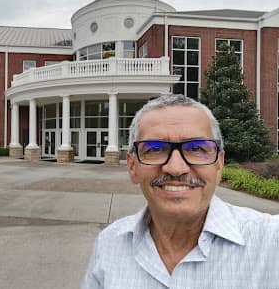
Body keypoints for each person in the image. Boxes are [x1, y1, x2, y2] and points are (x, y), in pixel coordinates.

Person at [81, 94, 279, 289]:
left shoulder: (270, 242)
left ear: (219, 165)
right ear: (133, 167)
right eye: (155, 149)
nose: (176, 168)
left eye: (197, 148)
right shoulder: (109, 244)